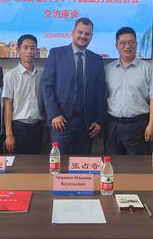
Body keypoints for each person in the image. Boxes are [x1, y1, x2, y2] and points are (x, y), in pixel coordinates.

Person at [41, 17, 107, 155]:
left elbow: (101, 92)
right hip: (61, 121)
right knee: (59, 162)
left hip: (87, 124)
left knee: (81, 163)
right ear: (72, 33)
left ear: (91, 37)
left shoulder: (97, 60)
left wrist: (99, 120)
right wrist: (54, 114)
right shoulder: (56, 54)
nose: (83, 36)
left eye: (87, 34)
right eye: (80, 32)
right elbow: (46, 86)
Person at [105, 27, 153, 155]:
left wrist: (152, 124)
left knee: (138, 165)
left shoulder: (147, 68)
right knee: (112, 163)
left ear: (136, 44)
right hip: (112, 126)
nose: (127, 46)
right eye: (123, 42)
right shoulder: (108, 69)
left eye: (131, 42)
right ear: (116, 46)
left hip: (138, 126)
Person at [2, 34, 44, 154]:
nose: (29, 51)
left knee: (36, 162)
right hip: (18, 128)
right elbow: (7, 106)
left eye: (32, 48)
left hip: (37, 127)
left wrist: (44, 129)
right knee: (18, 163)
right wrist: (9, 134)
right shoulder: (11, 76)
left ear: (36, 51)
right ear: (18, 50)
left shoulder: (42, 75)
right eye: (25, 47)